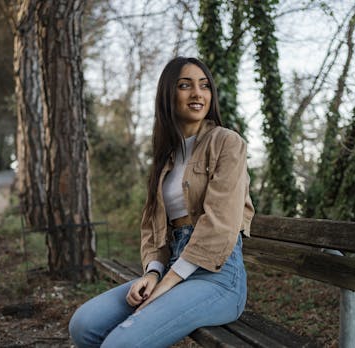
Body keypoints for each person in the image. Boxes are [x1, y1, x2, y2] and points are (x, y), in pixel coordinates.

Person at [69, 56, 254, 348]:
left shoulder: (226, 142)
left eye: (204, 86)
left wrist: (167, 283)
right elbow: (152, 228)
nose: (197, 93)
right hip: (173, 269)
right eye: (185, 85)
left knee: (120, 344)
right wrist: (153, 273)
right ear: (168, 94)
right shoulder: (166, 157)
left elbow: (221, 224)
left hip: (218, 278)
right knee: (83, 325)